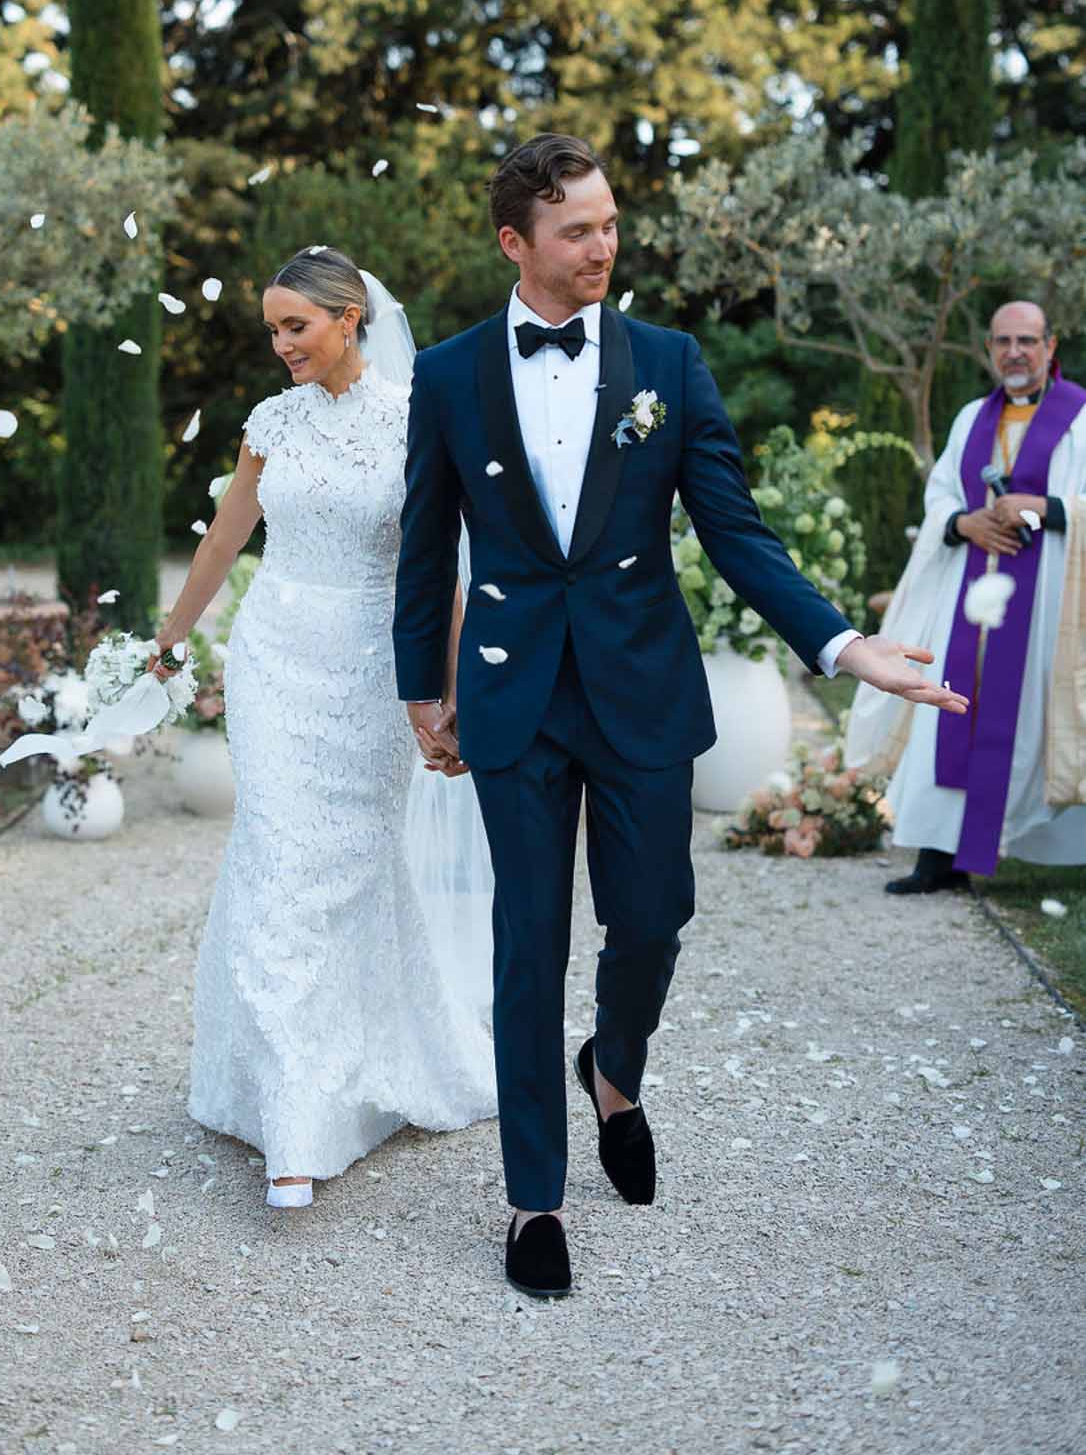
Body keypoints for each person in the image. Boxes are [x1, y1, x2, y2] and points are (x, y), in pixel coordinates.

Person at [391, 133, 969, 1298]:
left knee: (650, 920)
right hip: (512, 693)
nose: (603, 245)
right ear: (516, 242)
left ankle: (612, 1063)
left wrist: (846, 647)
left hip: (642, 686)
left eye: (609, 223)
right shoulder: (449, 374)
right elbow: (421, 541)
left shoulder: (670, 360)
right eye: (576, 230)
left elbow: (736, 533)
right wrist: (422, 686)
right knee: (524, 943)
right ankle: (534, 1198)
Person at [148, 248, 495, 1209]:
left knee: (349, 865)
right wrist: (172, 640)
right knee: (278, 858)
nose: (281, 345)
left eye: (295, 326)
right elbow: (226, 538)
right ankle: (292, 1117)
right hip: (273, 660)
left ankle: (361, 1068)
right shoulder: (271, 423)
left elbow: (440, 568)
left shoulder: (416, 422)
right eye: (272, 329)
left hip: (372, 666)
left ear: (350, 320)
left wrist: (449, 687)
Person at [847, 301, 1086, 894]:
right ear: (988, 349)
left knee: (1032, 720)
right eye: (1003, 341)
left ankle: (1040, 850)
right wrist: (962, 524)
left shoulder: (1080, 419)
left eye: (1027, 340)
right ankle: (939, 856)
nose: (1014, 352)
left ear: (1051, 347)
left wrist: (1045, 508)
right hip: (970, 599)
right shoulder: (971, 418)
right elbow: (941, 497)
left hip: (1045, 608)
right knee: (949, 710)